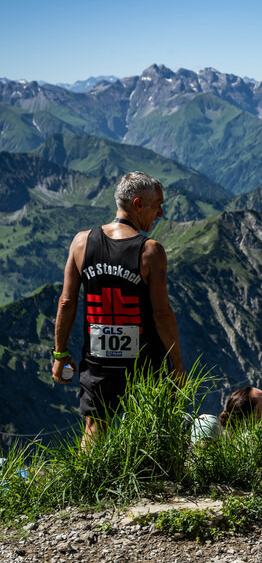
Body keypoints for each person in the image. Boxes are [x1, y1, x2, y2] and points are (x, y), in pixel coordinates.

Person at [50, 172, 184, 448]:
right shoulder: (149, 251)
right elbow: (162, 314)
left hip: (99, 357)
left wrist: (60, 353)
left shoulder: (81, 242)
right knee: (150, 422)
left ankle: (88, 484)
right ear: (138, 204)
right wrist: (178, 364)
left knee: (95, 424)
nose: (160, 213)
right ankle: (147, 485)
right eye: (156, 205)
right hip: (143, 358)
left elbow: (66, 302)